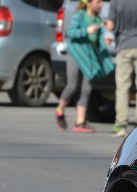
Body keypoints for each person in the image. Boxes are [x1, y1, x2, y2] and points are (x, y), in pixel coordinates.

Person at [105, 0, 137, 137]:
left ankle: (121, 124)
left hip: (123, 46)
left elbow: (110, 26)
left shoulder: (116, 2)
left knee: (122, 86)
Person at [54, 0, 109, 133]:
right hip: (76, 54)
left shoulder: (97, 18)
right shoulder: (80, 15)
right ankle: (59, 111)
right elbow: (71, 33)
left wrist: (105, 41)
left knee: (86, 89)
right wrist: (86, 30)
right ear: (88, 3)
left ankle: (80, 122)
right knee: (72, 86)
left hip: (89, 58)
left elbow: (97, 40)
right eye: (98, 1)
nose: (101, 4)